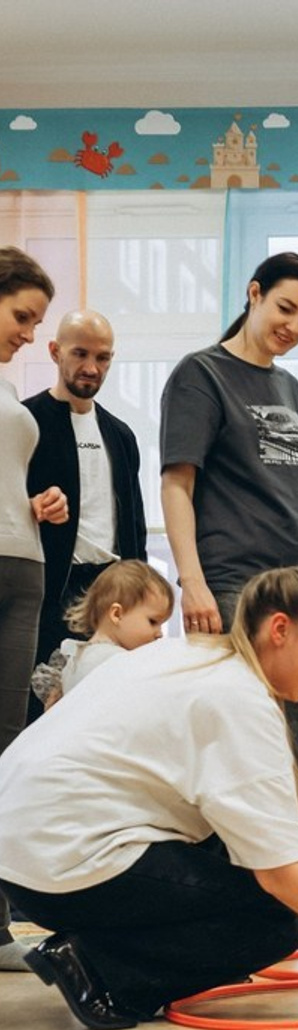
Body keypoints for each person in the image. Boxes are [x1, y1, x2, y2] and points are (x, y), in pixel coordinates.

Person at [0, 567, 298, 1030]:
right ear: (279, 629)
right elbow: (282, 877)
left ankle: (98, 950)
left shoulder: (190, 655)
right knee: (276, 919)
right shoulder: (238, 698)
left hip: (23, 852)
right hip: (62, 859)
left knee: (229, 858)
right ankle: (100, 970)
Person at [159, 251, 298, 838]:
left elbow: (295, 500)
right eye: (285, 308)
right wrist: (193, 582)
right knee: (237, 755)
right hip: (232, 588)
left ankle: (287, 918)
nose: (294, 327)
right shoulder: (200, 374)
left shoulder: (291, 388)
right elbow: (177, 484)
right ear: (253, 294)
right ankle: (229, 913)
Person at [24, 309, 147, 721]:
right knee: (42, 707)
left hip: (112, 587)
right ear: (56, 351)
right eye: (80, 354)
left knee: (110, 708)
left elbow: (134, 521)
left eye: (104, 357)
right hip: (49, 586)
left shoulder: (121, 434)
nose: (92, 368)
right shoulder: (26, 422)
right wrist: (33, 506)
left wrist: (140, 587)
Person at [0, 245, 67, 970]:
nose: (28, 333)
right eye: (22, 317)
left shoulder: (6, 391)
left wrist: (32, 504)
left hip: (23, 566)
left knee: (6, 750)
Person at [31, 559, 173, 708]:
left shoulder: (75, 656)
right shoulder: (114, 661)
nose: (159, 634)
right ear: (117, 614)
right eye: (152, 622)